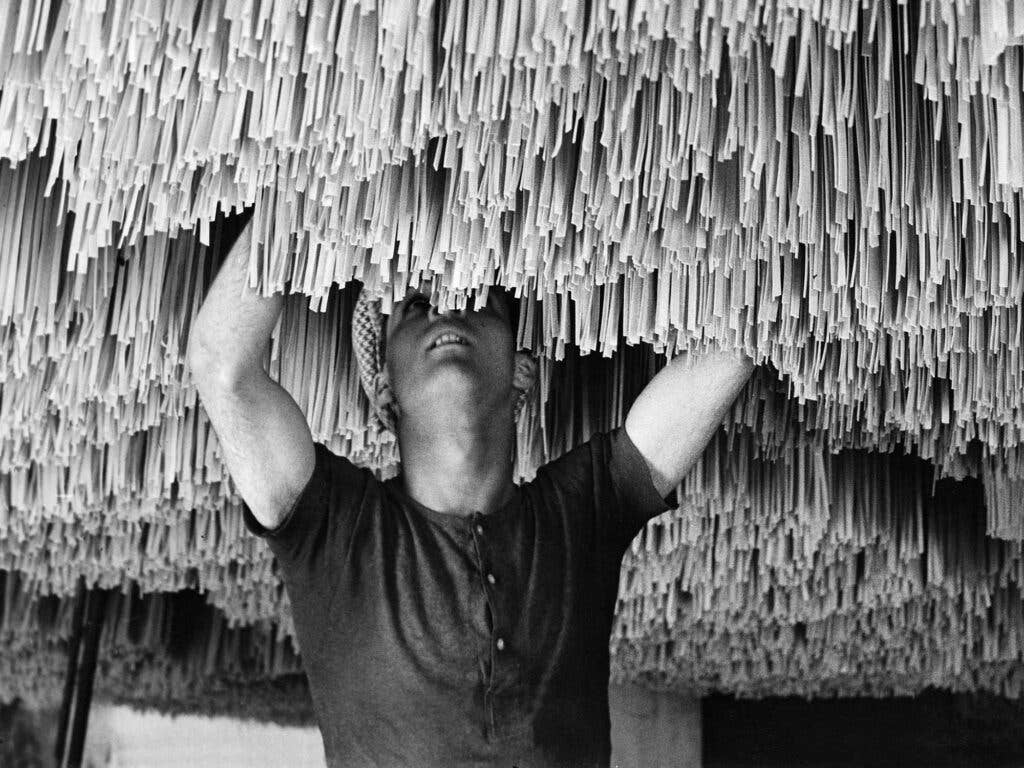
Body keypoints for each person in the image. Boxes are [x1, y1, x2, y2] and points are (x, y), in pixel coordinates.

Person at [187, 210, 754, 767]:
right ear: (384, 391)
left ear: (520, 375)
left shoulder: (581, 515)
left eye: (479, 302)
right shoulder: (335, 532)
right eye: (415, 306)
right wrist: (302, 187)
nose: (448, 309)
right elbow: (222, 369)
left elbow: (735, 345)